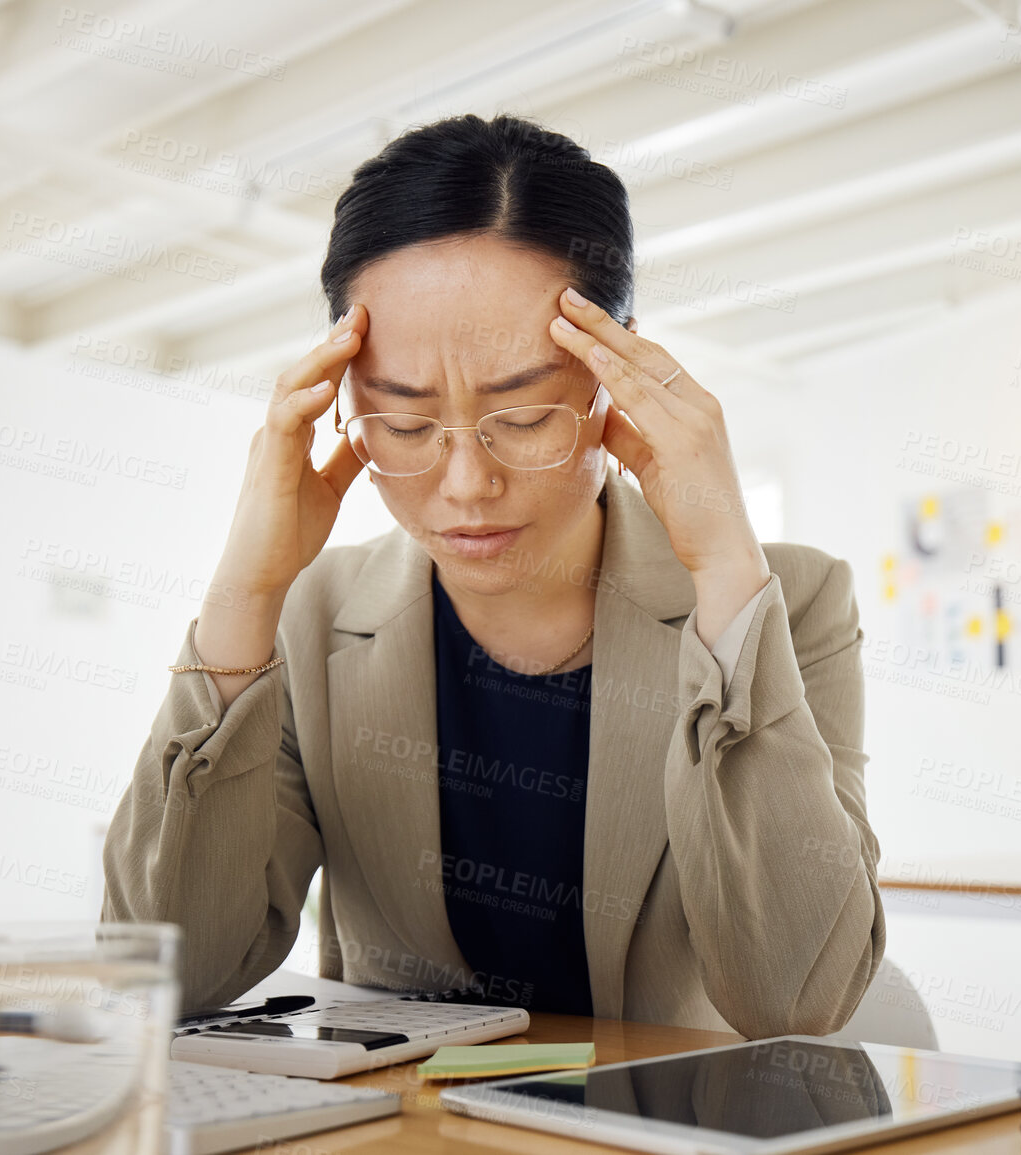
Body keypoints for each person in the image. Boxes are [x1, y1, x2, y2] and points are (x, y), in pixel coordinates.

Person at [101, 113, 884, 1040]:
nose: (466, 485)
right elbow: (164, 974)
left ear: (617, 376)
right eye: (401, 423)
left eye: (522, 416)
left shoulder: (785, 603)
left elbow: (798, 996)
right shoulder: (314, 618)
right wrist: (245, 588)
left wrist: (720, 563)